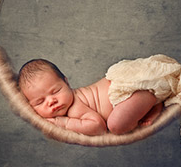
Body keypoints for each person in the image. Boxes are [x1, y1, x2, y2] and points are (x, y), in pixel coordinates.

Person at [17, 58, 164, 136]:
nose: (51, 101)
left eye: (56, 91)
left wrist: (64, 123)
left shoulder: (75, 108)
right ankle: (152, 103)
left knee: (116, 126)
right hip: (130, 97)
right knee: (119, 121)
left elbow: (98, 127)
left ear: (66, 82)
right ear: (30, 106)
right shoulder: (69, 105)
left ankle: (150, 97)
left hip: (129, 91)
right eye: (40, 102)